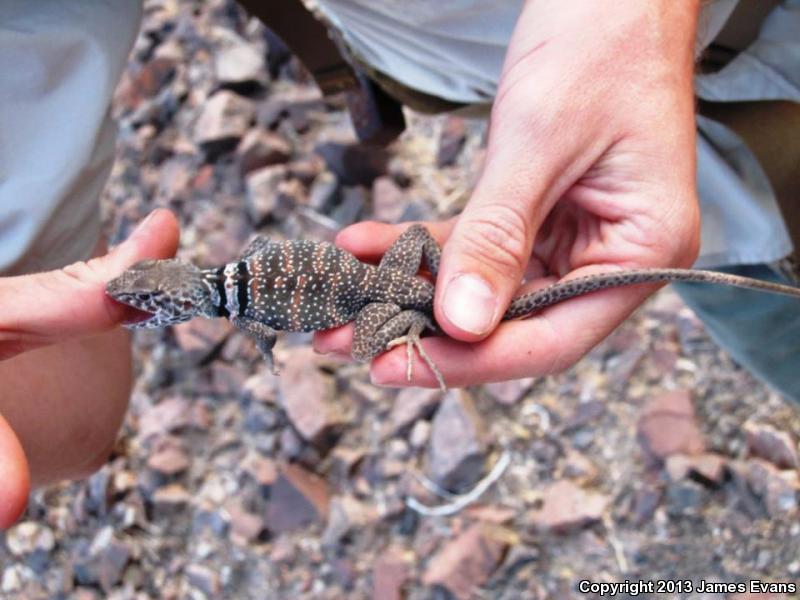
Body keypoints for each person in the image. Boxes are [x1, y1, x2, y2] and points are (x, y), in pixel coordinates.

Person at [0, 0, 797, 528]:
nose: (146, 307)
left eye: (151, 302)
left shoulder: (238, 303)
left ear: (183, 303)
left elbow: (260, 323)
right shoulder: (238, 279)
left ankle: (428, 322)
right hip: (418, 249)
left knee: (382, 336)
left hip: (720, 68)